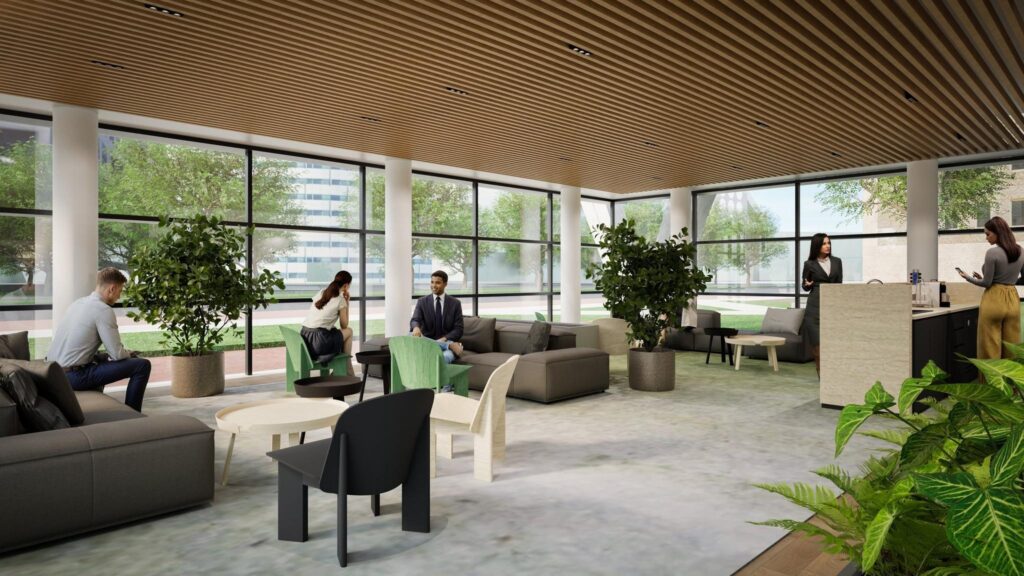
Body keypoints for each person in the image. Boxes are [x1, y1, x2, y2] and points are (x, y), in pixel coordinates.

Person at [47, 268, 150, 412]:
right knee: (142, 365)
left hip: (53, 373)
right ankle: (133, 414)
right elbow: (117, 354)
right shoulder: (103, 310)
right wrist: (128, 353)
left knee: (102, 358)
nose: (119, 296)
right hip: (73, 377)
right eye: (120, 291)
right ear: (112, 289)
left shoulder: (77, 303)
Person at [959, 216, 1024, 359]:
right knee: (1012, 346)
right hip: (1013, 300)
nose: (986, 237)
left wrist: (967, 277)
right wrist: (1009, 282)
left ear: (998, 232)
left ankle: (990, 374)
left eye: (988, 234)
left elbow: (987, 283)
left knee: (989, 345)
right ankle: (1010, 374)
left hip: (993, 300)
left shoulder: (992, 253)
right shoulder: (1021, 251)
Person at [801, 233, 843, 377]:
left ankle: (834, 380)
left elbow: (839, 285)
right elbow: (805, 286)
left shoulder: (837, 262)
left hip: (832, 308)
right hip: (814, 310)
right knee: (818, 349)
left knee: (833, 348)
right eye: (824, 243)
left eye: (828, 243)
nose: (827, 246)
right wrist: (807, 284)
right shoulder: (809, 264)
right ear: (817, 246)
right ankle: (823, 382)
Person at [300, 270, 355, 375]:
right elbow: (344, 325)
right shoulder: (340, 300)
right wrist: (347, 303)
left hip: (305, 338)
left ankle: (342, 369)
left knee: (335, 332)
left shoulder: (321, 292)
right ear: (346, 286)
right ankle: (347, 368)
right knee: (349, 331)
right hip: (319, 342)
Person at [409, 270, 464, 364]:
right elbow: (415, 320)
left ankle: (444, 346)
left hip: (446, 341)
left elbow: (459, 329)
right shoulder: (422, 302)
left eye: (438, 283)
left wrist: (444, 339)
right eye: (432, 282)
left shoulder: (455, 303)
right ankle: (448, 346)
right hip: (426, 342)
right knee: (410, 334)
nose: (434, 285)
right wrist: (416, 327)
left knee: (445, 358)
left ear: (445, 284)